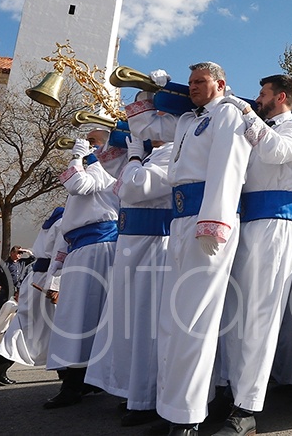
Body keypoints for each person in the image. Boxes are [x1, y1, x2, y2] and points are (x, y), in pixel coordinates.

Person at [145, 62, 252, 436]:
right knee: (173, 318)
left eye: (199, 81)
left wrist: (215, 223)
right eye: (189, 82)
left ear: (220, 84)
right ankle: (173, 406)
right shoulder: (188, 121)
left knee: (195, 319)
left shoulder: (228, 114)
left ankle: (187, 417)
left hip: (207, 221)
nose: (191, 87)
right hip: (179, 220)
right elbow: (145, 127)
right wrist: (149, 91)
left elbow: (229, 168)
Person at [212, 75, 292, 435]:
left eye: (262, 94)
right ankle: (228, 389)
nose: (257, 99)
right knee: (234, 311)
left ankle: (247, 408)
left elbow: (274, 151)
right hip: (247, 223)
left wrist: (242, 108)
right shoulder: (256, 127)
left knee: (260, 314)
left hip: (277, 224)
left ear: (281, 97)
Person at [84, 115, 174, 427]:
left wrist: (134, 154)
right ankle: (132, 391)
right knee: (128, 323)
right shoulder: (149, 155)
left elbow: (134, 188)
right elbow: (112, 182)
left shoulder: (173, 152)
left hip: (154, 247)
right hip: (133, 245)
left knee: (146, 324)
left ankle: (147, 398)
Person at [44, 127, 124, 409]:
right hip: (83, 248)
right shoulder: (96, 170)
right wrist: (56, 265)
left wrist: (82, 157)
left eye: (93, 141)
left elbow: (78, 185)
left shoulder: (108, 172)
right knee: (77, 317)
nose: (87, 145)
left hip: (98, 246)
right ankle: (81, 379)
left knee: (81, 317)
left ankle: (75, 382)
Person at [0, 206, 65, 386]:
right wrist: (55, 285)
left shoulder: (49, 225)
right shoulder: (62, 224)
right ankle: (66, 375)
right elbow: (59, 256)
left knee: (28, 326)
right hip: (46, 278)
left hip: (36, 277)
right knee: (58, 327)